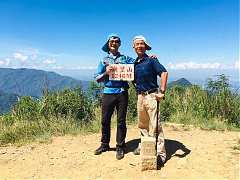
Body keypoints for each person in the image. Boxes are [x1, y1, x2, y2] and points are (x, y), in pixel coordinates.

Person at [94, 34, 134, 160]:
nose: (114, 43)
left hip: (122, 92)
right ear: (108, 44)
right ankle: (104, 144)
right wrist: (106, 72)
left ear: (119, 44)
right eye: (112, 41)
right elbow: (97, 78)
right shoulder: (103, 60)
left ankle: (120, 146)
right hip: (108, 92)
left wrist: (150, 58)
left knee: (121, 121)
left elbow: (138, 63)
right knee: (105, 120)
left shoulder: (126, 58)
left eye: (117, 41)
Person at [132, 35, 168, 167]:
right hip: (140, 96)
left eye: (142, 44)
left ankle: (160, 154)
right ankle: (145, 146)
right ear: (134, 47)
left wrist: (162, 92)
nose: (140, 46)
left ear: (145, 47)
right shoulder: (134, 63)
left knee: (155, 125)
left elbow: (164, 73)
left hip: (152, 95)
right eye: (137, 44)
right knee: (142, 125)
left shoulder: (152, 60)